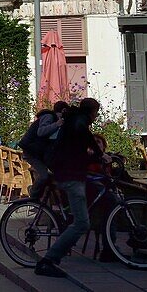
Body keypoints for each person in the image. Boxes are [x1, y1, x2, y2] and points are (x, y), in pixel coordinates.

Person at [35, 98, 102, 279]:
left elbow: (87, 140)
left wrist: (98, 154)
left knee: (95, 194)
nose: (97, 116)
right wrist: (97, 156)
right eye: (96, 112)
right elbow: (82, 145)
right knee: (81, 223)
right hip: (71, 175)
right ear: (92, 111)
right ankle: (48, 260)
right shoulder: (80, 123)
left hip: (68, 172)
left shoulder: (75, 120)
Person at [19, 102, 68, 200]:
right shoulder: (49, 117)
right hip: (31, 152)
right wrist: (57, 124)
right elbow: (41, 132)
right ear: (63, 111)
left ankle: (54, 199)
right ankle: (33, 194)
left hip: (39, 152)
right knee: (44, 175)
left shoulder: (55, 120)